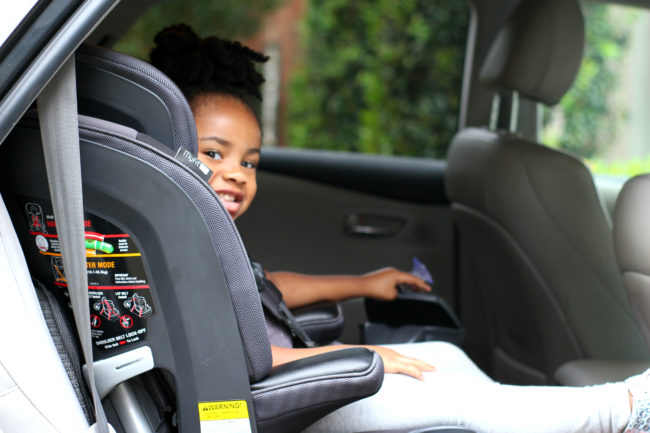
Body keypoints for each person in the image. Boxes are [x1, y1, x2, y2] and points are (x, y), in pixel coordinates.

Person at [149, 23, 650, 433]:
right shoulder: (167, 252)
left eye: (251, 162)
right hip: (282, 405)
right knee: (465, 400)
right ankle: (624, 410)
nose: (236, 172)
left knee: (444, 359)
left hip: (297, 381)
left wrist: (364, 284)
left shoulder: (202, 236)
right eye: (213, 154)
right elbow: (221, 358)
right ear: (165, 151)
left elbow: (265, 290)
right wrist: (341, 356)